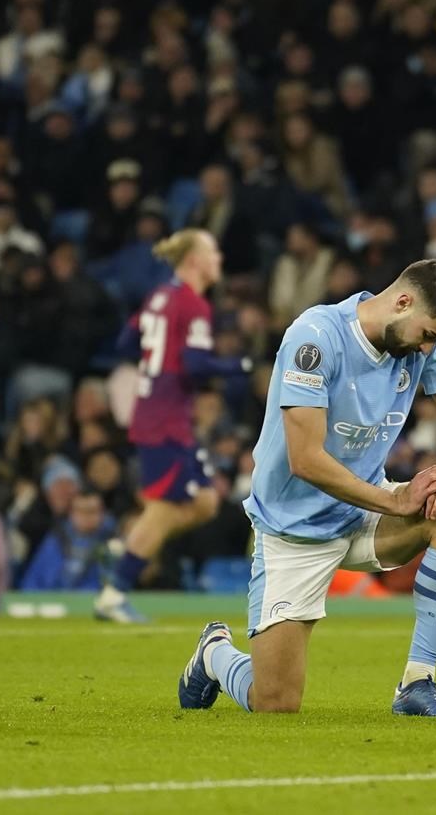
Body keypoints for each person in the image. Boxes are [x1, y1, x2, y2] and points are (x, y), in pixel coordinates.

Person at [178, 258, 436, 717]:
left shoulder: (422, 349)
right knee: (275, 703)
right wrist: (394, 498)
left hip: (362, 514)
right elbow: (307, 460)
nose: (430, 348)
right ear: (403, 302)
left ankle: (417, 683)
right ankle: (214, 654)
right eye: (428, 335)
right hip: (294, 530)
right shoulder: (317, 338)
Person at [94, 228, 252, 622]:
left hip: (161, 414)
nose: (219, 258)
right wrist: (239, 366)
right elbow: (197, 365)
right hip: (165, 420)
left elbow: (125, 344)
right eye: (213, 251)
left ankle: (128, 549)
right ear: (195, 260)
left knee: (205, 502)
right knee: (164, 509)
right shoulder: (193, 304)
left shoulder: (160, 296)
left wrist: (157, 365)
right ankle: (115, 592)